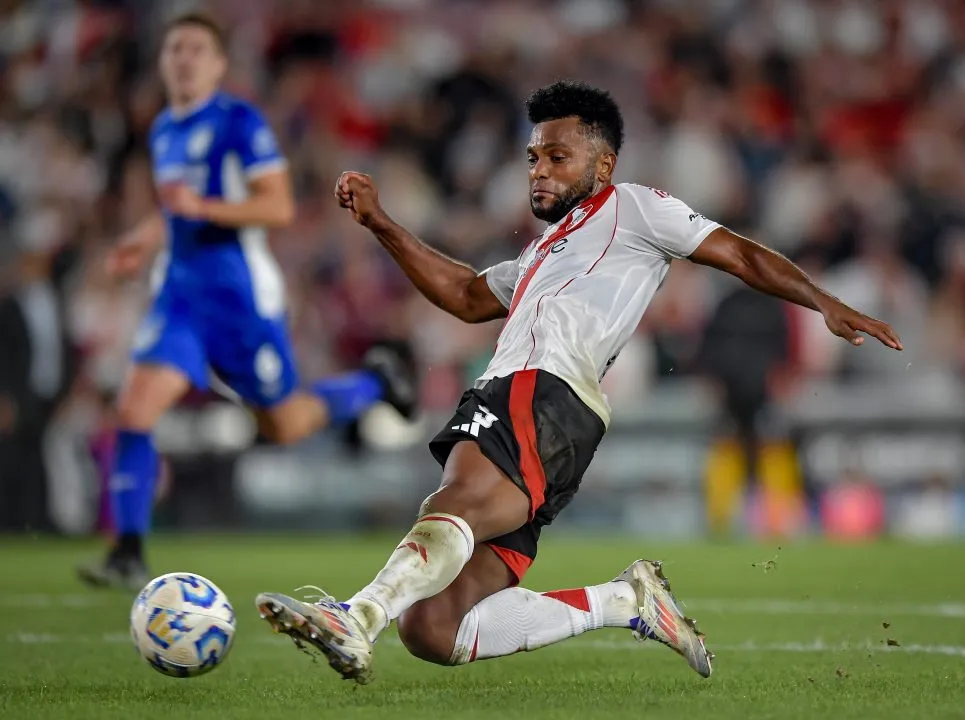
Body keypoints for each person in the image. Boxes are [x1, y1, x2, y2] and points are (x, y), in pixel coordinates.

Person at [255, 80, 902, 682]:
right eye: (533, 157)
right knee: (433, 627)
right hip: (545, 407)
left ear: (603, 166)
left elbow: (736, 251)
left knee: (453, 505)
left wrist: (822, 300)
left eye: (557, 156)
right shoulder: (542, 252)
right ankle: (623, 600)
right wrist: (381, 224)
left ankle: (356, 617)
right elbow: (465, 294)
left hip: (543, 389)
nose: (538, 169)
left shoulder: (633, 209)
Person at [77, 13, 417, 591]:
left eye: (196, 49)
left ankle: (376, 385)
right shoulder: (164, 130)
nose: (183, 58)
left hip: (239, 299)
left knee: (284, 424)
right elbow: (176, 209)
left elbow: (276, 206)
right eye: (174, 48)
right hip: (180, 297)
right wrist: (145, 236)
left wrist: (202, 211)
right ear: (164, 62)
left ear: (217, 65)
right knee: (134, 412)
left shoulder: (239, 122)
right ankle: (128, 550)